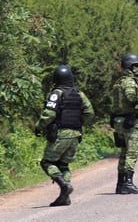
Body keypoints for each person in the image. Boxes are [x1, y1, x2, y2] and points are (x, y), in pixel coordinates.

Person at [34, 65, 94, 207]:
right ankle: (65, 197)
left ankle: (63, 186)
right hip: (75, 134)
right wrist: (79, 123)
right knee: (64, 165)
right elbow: (90, 113)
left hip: (60, 134)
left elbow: (49, 114)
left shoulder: (57, 93)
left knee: (47, 162)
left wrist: (39, 127)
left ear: (57, 79)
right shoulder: (79, 94)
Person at [111, 53, 138, 194]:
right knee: (131, 153)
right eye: (137, 65)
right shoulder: (130, 82)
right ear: (131, 67)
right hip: (129, 121)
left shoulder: (119, 82)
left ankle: (120, 184)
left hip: (118, 121)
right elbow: (131, 97)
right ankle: (128, 183)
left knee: (123, 153)